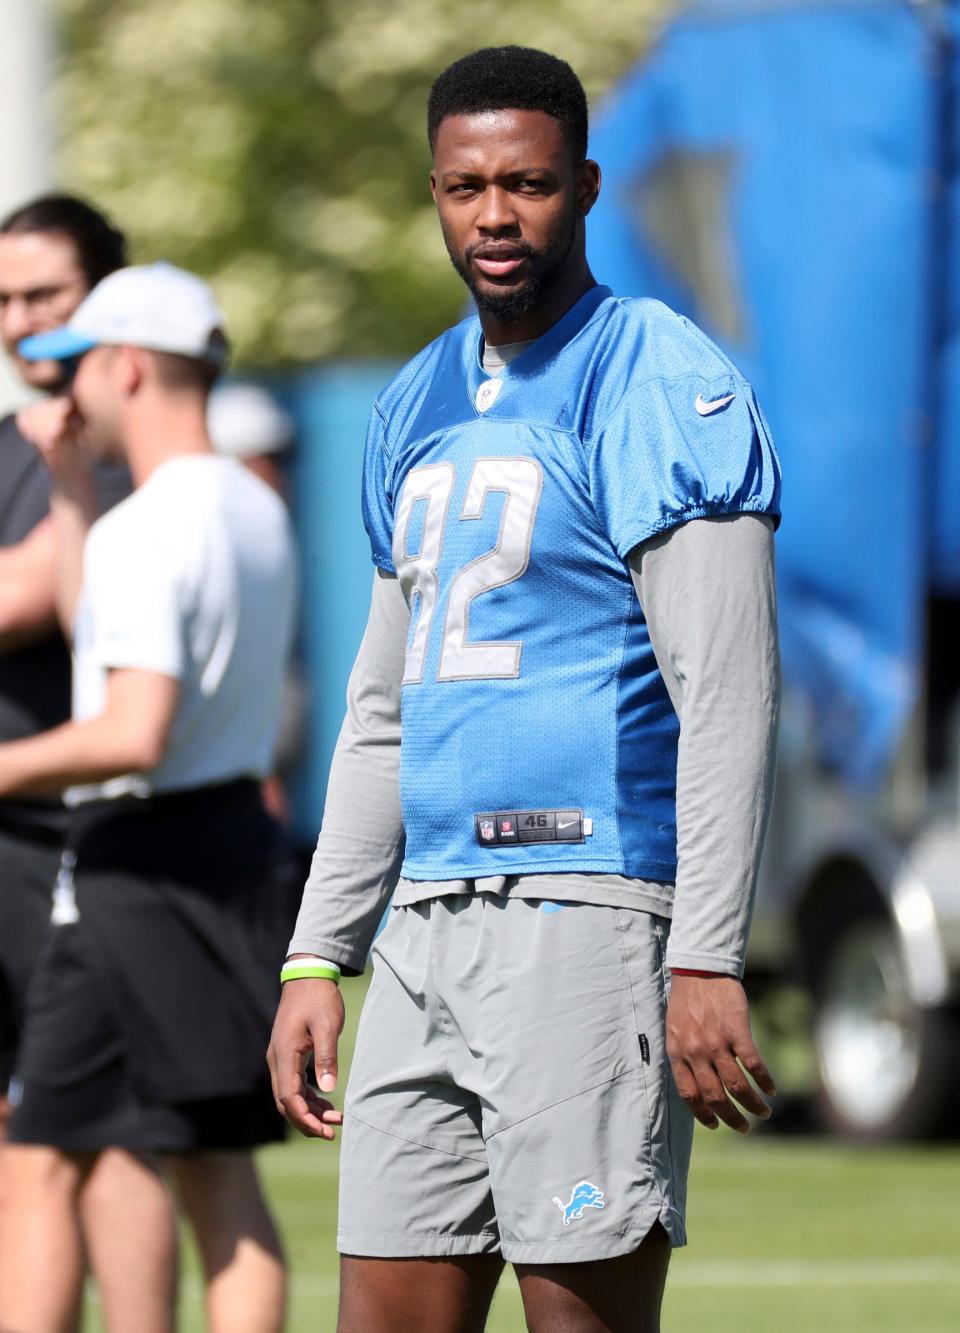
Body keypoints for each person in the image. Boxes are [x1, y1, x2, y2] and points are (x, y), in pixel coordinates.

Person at [269, 45, 782, 1333]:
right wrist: (318, 952)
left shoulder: (655, 375)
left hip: (589, 912)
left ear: (586, 187)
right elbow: (383, 708)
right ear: (434, 192)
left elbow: (725, 695)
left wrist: (705, 950)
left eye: (529, 185)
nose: (495, 216)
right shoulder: (411, 400)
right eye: (465, 187)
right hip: (426, 928)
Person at [0, 262, 298, 1333]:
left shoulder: (153, 525)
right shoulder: (250, 504)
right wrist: (76, 491)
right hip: (211, 853)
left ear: (124, 364)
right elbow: (106, 642)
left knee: (167, 1173)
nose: (62, 390)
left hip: (147, 861)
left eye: (76, 365)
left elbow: (130, 728)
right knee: (60, 1156)